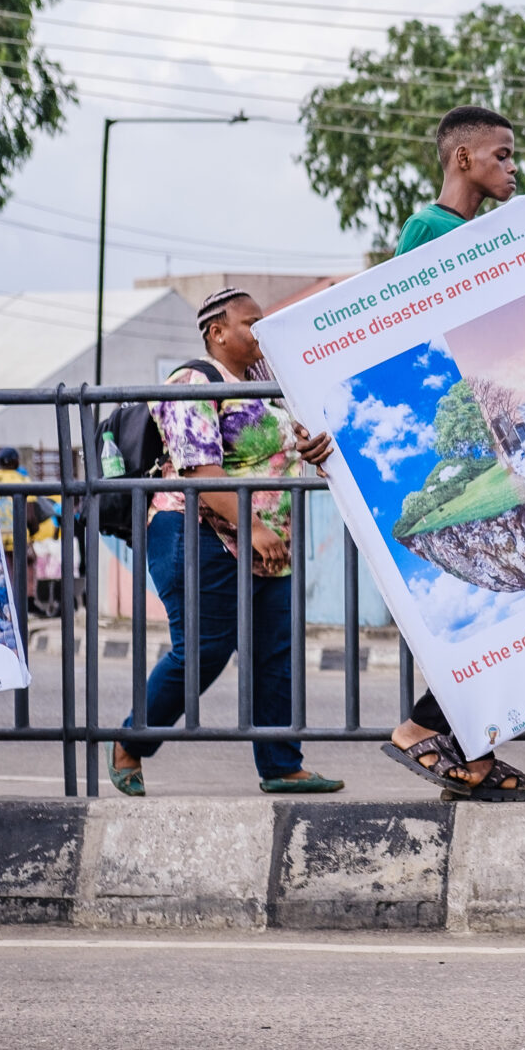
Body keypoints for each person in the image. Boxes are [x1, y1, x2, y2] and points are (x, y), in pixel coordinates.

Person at [106, 289, 346, 796]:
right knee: (203, 650)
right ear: (217, 332)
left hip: (268, 540)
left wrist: (311, 445)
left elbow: (289, 445)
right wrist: (254, 528)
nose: (261, 332)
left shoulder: (266, 385)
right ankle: (132, 740)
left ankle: (281, 765)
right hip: (197, 532)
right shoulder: (192, 380)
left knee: (275, 652)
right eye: (250, 323)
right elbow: (199, 471)